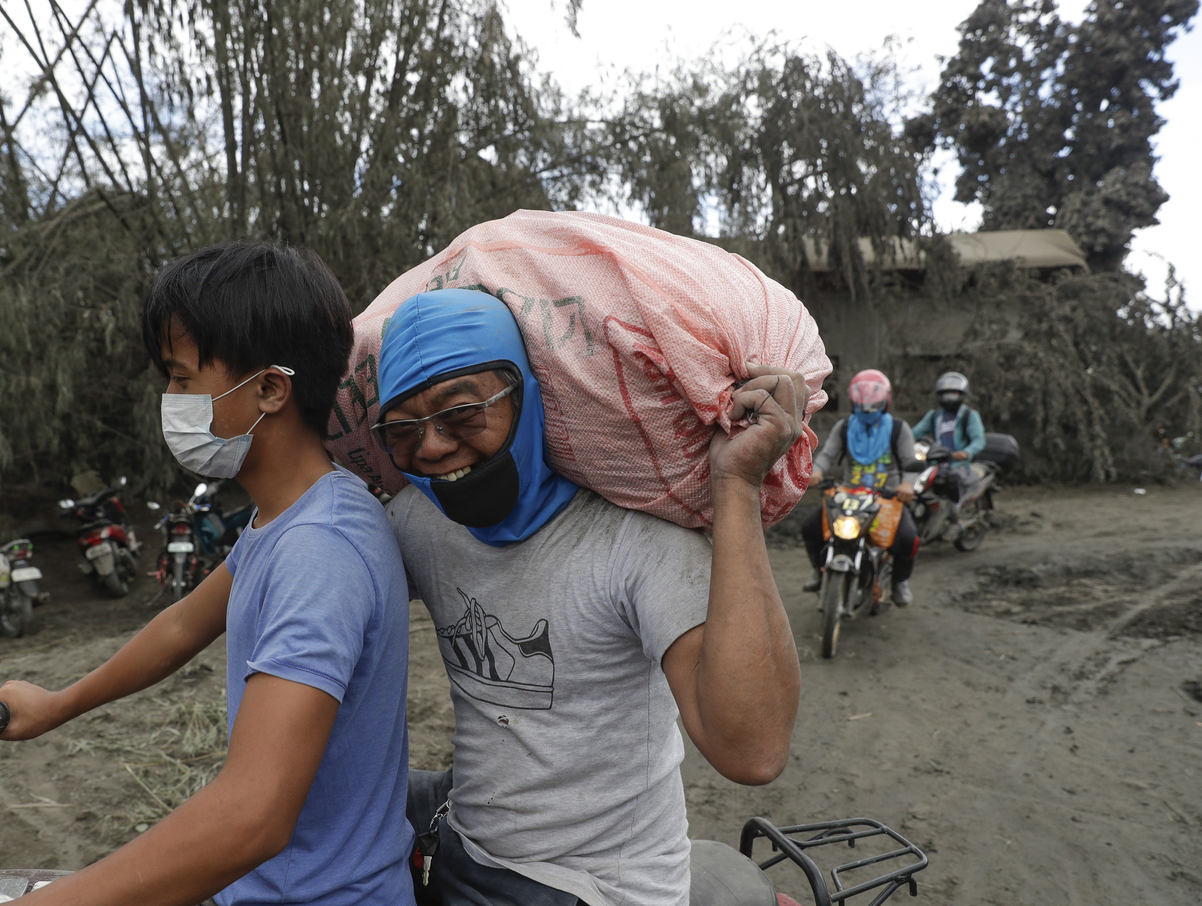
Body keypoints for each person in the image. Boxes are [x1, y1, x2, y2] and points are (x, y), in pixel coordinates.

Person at [0, 242, 414, 906]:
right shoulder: (288, 518)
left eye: (180, 378)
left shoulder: (319, 548)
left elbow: (253, 815)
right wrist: (57, 703)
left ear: (268, 388)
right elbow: (179, 625)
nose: (168, 398)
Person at [372, 289, 804, 906]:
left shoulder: (632, 540)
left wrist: (735, 486)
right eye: (404, 429)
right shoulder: (418, 522)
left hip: (605, 887)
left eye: (462, 413)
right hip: (471, 847)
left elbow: (754, 749)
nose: (434, 447)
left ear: (527, 395)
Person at [801, 369, 919, 607]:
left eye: (873, 405)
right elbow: (827, 455)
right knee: (810, 528)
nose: (867, 410)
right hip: (848, 495)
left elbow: (909, 462)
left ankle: (899, 583)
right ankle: (819, 571)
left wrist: (908, 484)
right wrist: (817, 471)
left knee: (909, 538)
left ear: (886, 401)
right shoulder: (844, 427)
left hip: (887, 498)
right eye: (862, 405)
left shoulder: (899, 428)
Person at [911, 372, 987, 499]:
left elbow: (978, 439)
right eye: (946, 394)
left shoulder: (969, 415)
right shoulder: (934, 415)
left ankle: (954, 514)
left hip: (959, 464)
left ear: (962, 394)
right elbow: (914, 433)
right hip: (936, 463)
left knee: (953, 481)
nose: (950, 398)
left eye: (954, 393)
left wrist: (966, 452)